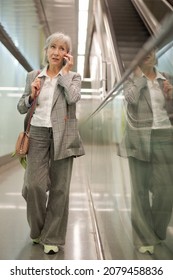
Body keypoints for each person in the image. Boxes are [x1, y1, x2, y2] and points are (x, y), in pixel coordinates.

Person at [17, 32, 85, 254]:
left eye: (62, 48)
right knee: (33, 186)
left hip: (63, 135)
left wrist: (64, 74)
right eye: (53, 47)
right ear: (46, 50)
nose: (57, 52)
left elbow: (73, 98)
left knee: (59, 189)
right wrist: (31, 95)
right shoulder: (33, 75)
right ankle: (37, 230)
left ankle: (52, 237)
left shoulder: (74, 77)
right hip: (36, 133)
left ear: (67, 54)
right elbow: (21, 106)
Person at [119, 49, 173, 254]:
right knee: (140, 189)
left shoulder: (167, 79)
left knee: (167, 189)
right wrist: (140, 76)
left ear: (156, 55)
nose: (146, 53)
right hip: (138, 138)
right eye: (141, 51)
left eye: (150, 49)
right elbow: (130, 99)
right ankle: (143, 237)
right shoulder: (130, 80)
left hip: (165, 137)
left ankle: (157, 231)